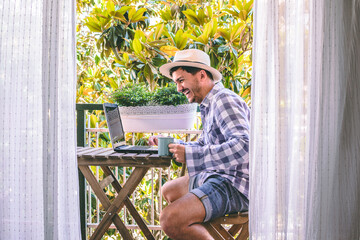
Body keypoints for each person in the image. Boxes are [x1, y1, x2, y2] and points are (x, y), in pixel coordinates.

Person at [149, 49, 250, 240]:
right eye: (176, 82)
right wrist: (174, 145)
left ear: (201, 75)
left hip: (236, 184)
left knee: (170, 219)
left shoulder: (224, 101)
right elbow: (206, 143)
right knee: (169, 190)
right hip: (220, 175)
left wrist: (190, 155)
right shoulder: (209, 103)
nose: (178, 88)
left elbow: (244, 146)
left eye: (181, 80)